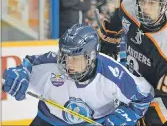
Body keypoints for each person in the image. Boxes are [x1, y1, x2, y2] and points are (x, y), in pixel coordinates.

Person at [2, 24, 154, 126]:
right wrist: (18, 75)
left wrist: (120, 118)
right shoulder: (51, 63)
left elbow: (143, 96)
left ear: (92, 56)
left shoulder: (112, 73)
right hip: (48, 121)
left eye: (75, 58)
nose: (68, 64)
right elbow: (27, 66)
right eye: (65, 57)